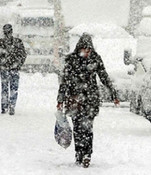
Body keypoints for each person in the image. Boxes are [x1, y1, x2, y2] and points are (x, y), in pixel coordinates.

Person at [56, 33, 120, 168]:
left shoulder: (95, 59)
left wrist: (113, 93)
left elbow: (104, 76)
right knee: (78, 128)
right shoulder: (72, 60)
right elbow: (65, 81)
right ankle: (78, 153)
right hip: (74, 100)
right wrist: (60, 99)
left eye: (89, 49)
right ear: (79, 48)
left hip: (90, 99)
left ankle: (87, 154)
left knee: (88, 128)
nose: (86, 52)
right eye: (84, 49)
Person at [0, 24, 26, 115]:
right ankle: (8, 106)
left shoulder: (2, 43)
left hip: (11, 68)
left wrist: (16, 64)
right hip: (9, 68)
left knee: (8, 88)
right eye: (6, 32)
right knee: (10, 88)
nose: (7, 34)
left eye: (8, 32)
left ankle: (8, 106)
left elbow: (22, 55)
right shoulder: (15, 42)